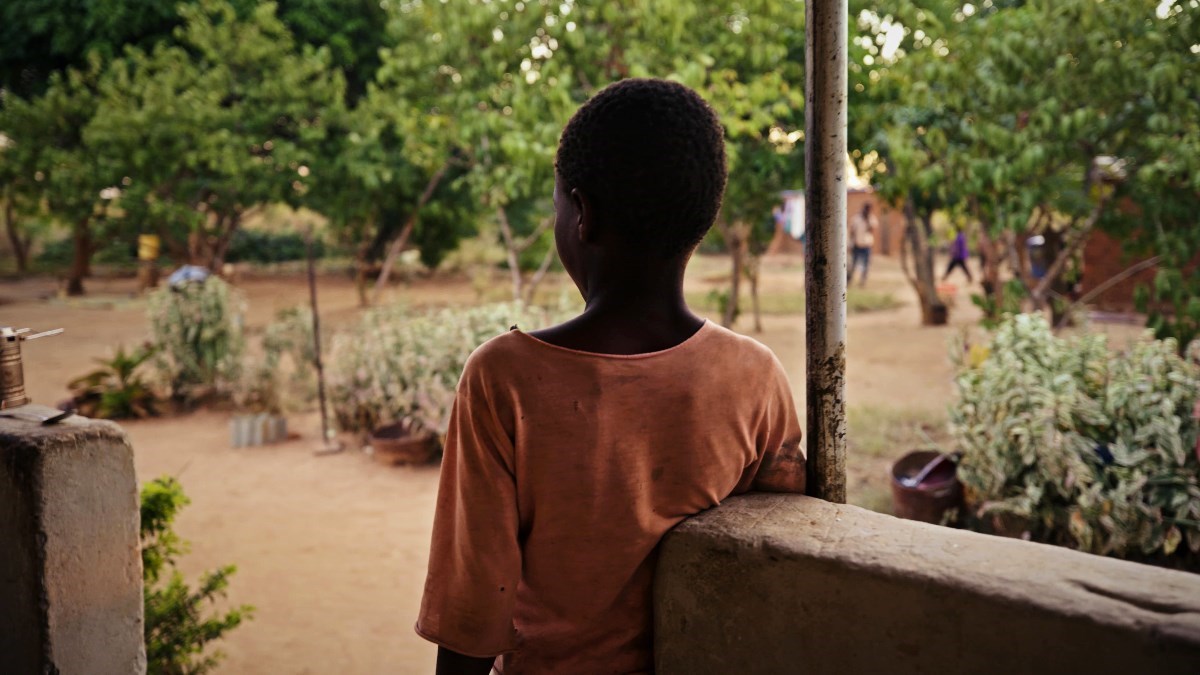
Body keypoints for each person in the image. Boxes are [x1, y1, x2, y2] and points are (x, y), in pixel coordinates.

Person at [416, 79, 806, 675]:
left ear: (583, 216)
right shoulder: (753, 376)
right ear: (699, 221)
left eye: (557, 207)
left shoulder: (505, 380)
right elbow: (782, 553)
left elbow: (471, 623)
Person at [847, 202, 877, 286]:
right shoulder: (856, 218)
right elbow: (852, 231)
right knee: (853, 264)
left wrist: (867, 220)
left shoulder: (871, 218)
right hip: (857, 245)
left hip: (867, 245)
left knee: (866, 265)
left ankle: (862, 282)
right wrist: (851, 243)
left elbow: (872, 230)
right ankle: (849, 281)